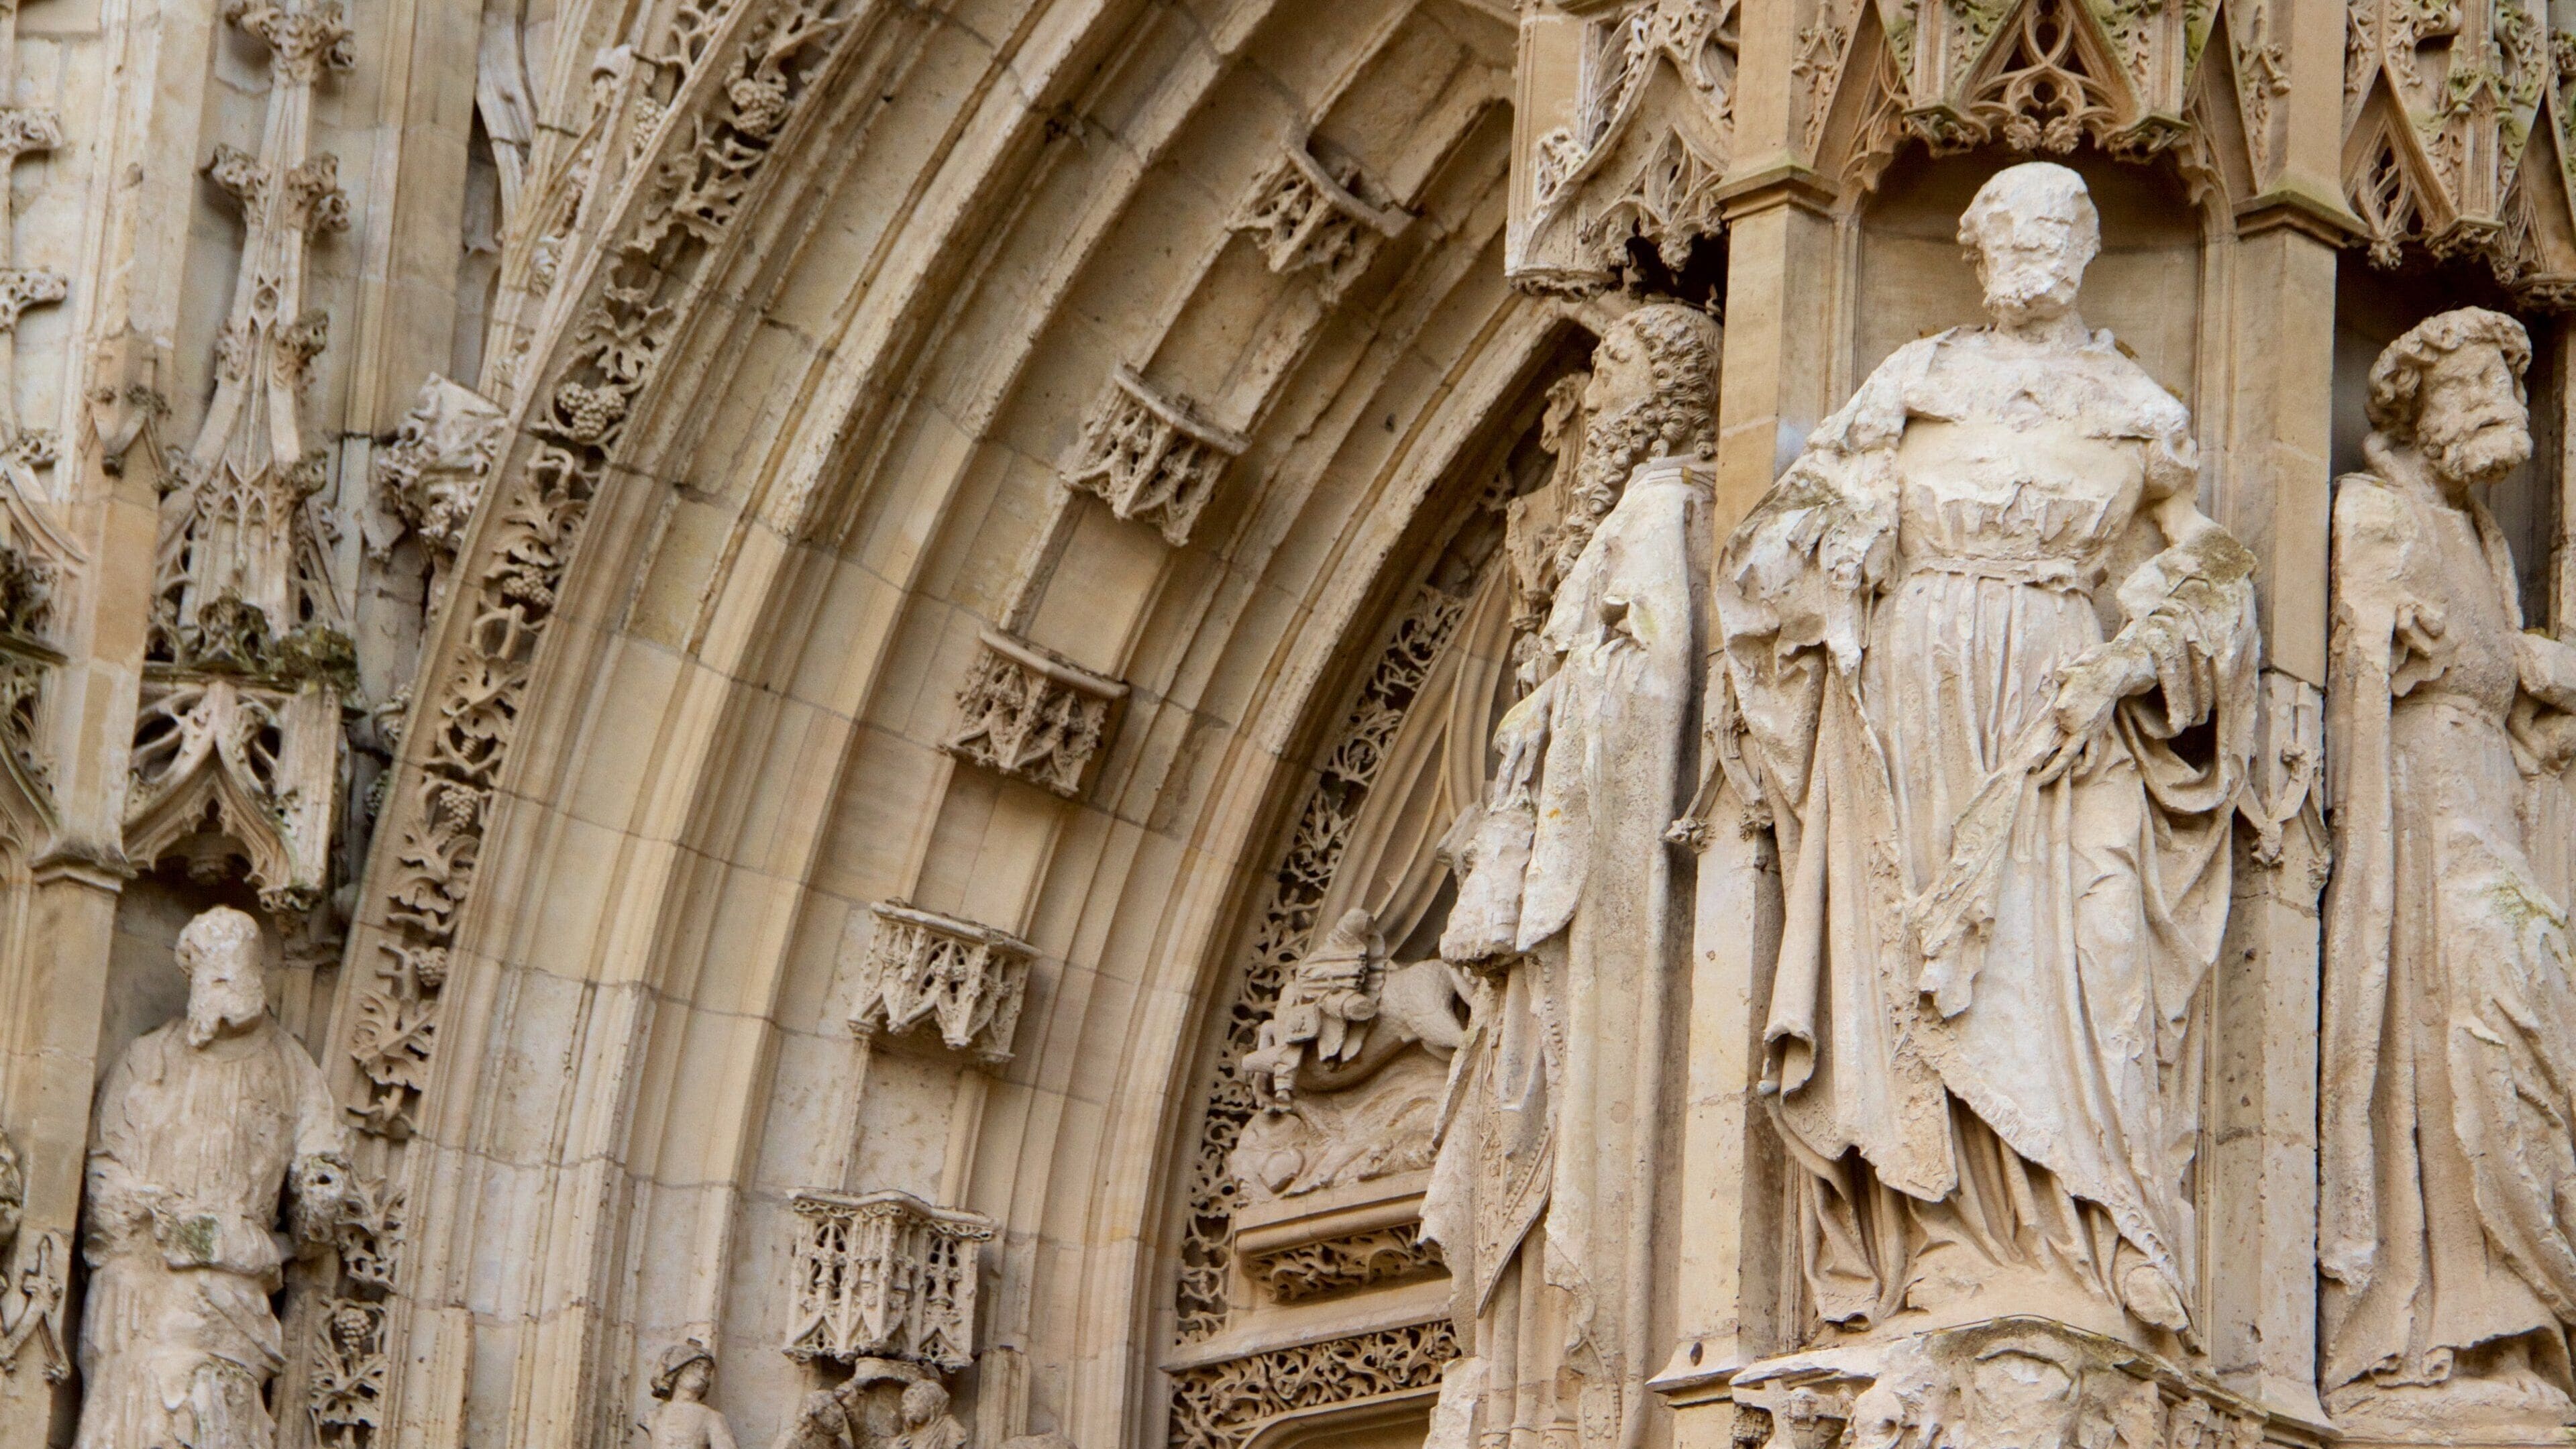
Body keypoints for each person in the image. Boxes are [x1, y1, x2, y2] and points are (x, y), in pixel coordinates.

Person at [1716, 162, 2257, 1348]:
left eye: (2056, 225)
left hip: (2067, 690)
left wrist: (2145, 650)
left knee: (2094, 941)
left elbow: (2208, 559)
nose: (2031, 247)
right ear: (1974, 246)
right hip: (1920, 687)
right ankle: (1947, 1242)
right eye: (2008, 226)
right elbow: (1796, 520)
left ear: (2087, 247)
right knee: (1916, 951)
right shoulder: (1913, 379)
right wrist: (1833, 545)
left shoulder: (2135, 403)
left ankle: (2097, 1236)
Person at [1426, 301, 1721, 1449]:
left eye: (1617, 374)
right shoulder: (1634, 516)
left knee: (1552, 1110)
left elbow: (1650, 681)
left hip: (1599, 868)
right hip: (1565, 860)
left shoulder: (1655, 509)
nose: (1590, 402)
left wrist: (1548, 721)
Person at [2320, 307, 2576, 1435]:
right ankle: (2427, 1325)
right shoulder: (2374, 510)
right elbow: (2355, 642)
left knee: (2521, 1022)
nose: (2502, 406)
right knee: (2455, 1025)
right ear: (2417, 408)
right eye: (2474, 385)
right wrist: (2385, 633)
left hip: (2490, 809)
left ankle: (2511, 1312)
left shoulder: (2484, 541)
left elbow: (2498, 680)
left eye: (2511, 387)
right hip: (2418, 814)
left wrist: (2529, 675)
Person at [74, 906, 350, 1449]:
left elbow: (322, 1169)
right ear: (192, 977)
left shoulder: (291, 1069)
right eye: (212, 972)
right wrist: (151, 1214)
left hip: (231, 1296)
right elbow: (105, 1175)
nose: (226, 984)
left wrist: (321, 1191)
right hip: (140, 1295)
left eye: (237, 970)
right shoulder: (146, 1058)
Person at [644, 1340, 739, 1449]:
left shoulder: (712, 1418)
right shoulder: (652, 1417)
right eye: (696, 1367)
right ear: (677, 1370)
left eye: (707, 1371)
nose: (702, 1375)